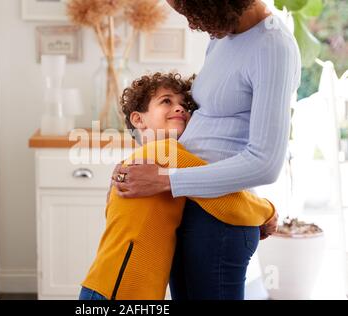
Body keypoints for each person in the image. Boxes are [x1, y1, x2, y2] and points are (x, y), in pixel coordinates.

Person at [111, 0, 301, 300]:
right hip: (186, 208)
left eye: (190, 11)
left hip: (218, 225)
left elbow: (265, 163)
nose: (191, 23)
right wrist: (141, 165)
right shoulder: (221, 38)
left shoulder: (273, 47)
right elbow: (210, 128)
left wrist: (165, 180)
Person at [79, 72, 277, 300]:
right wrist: (267, 212)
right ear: (138, 119)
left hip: (110, 288)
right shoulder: (164, 152)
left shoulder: (137, 163)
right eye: (166, 101)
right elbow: (225, 199)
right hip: (118, 292)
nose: (180, 109)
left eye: (185, 105)